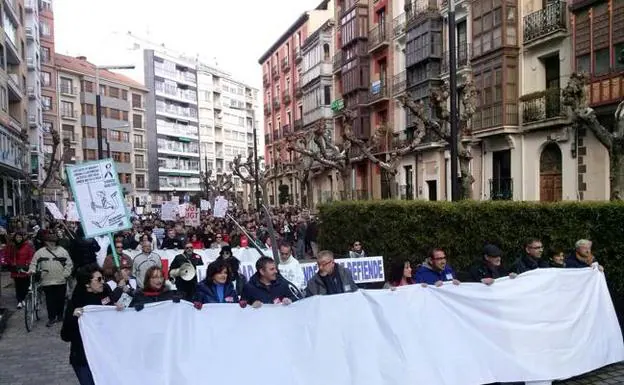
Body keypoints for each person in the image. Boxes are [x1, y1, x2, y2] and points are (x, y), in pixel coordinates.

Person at [61, 264, 122, 385]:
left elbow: (110, 309)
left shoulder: (105, 291)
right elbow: (65, 336)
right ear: (87, 284)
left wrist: (117, 309)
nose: (102, 282)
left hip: (104, 354)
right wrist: (74, 318)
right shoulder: (76, 302)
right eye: (98, 279)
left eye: (103, 278)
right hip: (83, 357)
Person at [29, 232, 73, 327]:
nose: (51, 243)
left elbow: (69, 264)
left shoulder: (63, 251)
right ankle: (52, 318)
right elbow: (33, 263)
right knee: (50, 300)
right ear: (46, 242)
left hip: (60, 280)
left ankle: (60, 316)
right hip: (47, 280)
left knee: (60, 299)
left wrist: (65, 274)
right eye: (49, 241)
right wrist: (32, 270)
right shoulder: (40, 252)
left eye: (53, 241)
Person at [7, 231, 35, 309]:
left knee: (25, 285)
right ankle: (19, 300)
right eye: (17, 237)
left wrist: (27, 263)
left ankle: (23, 299)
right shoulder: (12, 246)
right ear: (15, 238)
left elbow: (31, 255)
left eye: (20, 237)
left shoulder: (27, 246)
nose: (18, 239)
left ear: (22, 238)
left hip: (25, 268)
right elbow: (8, 256)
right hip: (16, 268)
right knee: (18, 285)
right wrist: (12, 263)